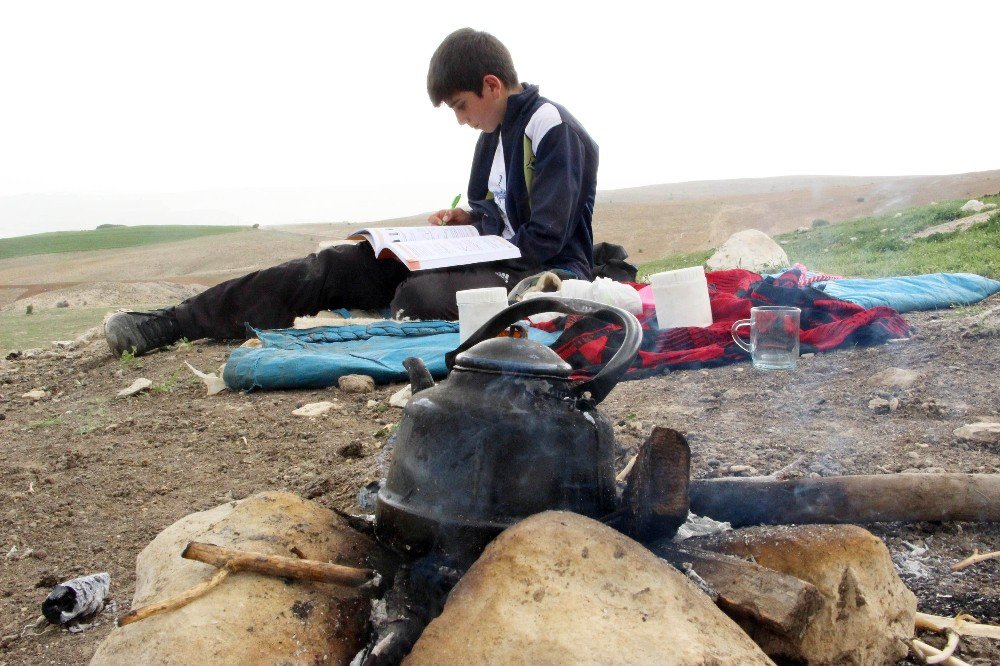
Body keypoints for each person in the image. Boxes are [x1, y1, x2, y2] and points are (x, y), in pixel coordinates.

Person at [104, 27, 599, 357]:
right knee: (333, 266)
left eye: (461, 105)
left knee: (418, 294)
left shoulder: (548, 125)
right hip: (480, 260)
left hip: (536, 271)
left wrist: (465, 248)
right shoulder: (491, 139)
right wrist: (466, 224)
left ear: (492, 86)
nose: (461, 119)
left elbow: (545, 241)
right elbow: (494, 214)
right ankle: (171, 324)